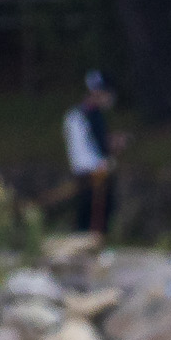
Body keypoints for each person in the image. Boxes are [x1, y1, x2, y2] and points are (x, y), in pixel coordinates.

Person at [64, 73, 119, 238]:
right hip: (94, 172)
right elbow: (99, 145)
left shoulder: (77, 115)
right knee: (94, 214)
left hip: (86, 171)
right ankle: (90, 244)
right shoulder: (87, 115)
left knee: (89, 212)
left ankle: (88, 242)